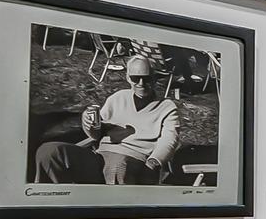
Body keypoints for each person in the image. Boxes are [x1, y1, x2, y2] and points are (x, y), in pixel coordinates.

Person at [32, 55, 182, 185]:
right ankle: (54, 203)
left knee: (118, 165)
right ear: (128, 78)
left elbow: (169, 139)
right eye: (136, 78)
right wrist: (89, 123)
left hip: (135, 161)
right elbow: (96, 134)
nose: (141, 84)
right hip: (101, 157)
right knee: (49, 151)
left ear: (154, 78)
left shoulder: (167, 108)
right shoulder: (117, 98)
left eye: (146, 78)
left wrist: (154, 161)